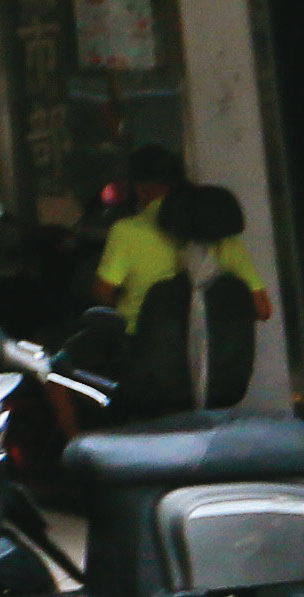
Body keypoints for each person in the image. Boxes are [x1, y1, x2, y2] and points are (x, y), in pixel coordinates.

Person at [95, 149, 269, 411]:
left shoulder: (127, 231)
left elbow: (102, 295)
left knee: (60, 375)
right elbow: (262, 309)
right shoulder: (223, 238)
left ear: (140, 188)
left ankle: (81, 448)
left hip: (145, 365)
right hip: (219, 372)